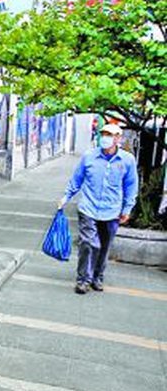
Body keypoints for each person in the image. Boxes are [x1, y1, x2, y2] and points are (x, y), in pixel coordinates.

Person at [58, 123, 138, 294]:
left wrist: (127, 209)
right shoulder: (89, 157)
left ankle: (97, 276)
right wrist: (66, 197)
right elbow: (76, 179)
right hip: (88, 207)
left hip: (112, 210)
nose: (106, 137)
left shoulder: (127, 160)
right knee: (88, 243)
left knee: (104, 245)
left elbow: (131, 186)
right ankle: (83, 279)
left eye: (110, 135)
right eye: (104, 134)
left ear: (118, 138)